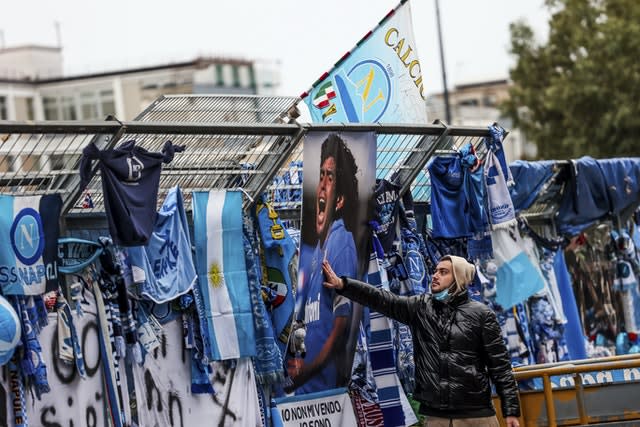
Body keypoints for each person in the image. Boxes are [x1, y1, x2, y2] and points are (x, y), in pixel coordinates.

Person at [322, 254, 521, 427]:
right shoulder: (421, 308)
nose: (435, 275)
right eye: (435, 271)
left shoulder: (482, 315)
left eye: (444, 272)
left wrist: (511, 410)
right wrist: (344, 285)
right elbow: (382, 299)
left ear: (459, 278)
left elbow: (500, 366)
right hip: (436, 418)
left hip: (476, 417)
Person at [286, 133, 360, 394]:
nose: (322, 185)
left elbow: (340, 331)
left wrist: (304, 373)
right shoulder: (316, 249)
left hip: (326, 394)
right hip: (307, 394)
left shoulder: (341, 242)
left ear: (339, 200)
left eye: (330, 177)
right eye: (320, 176)